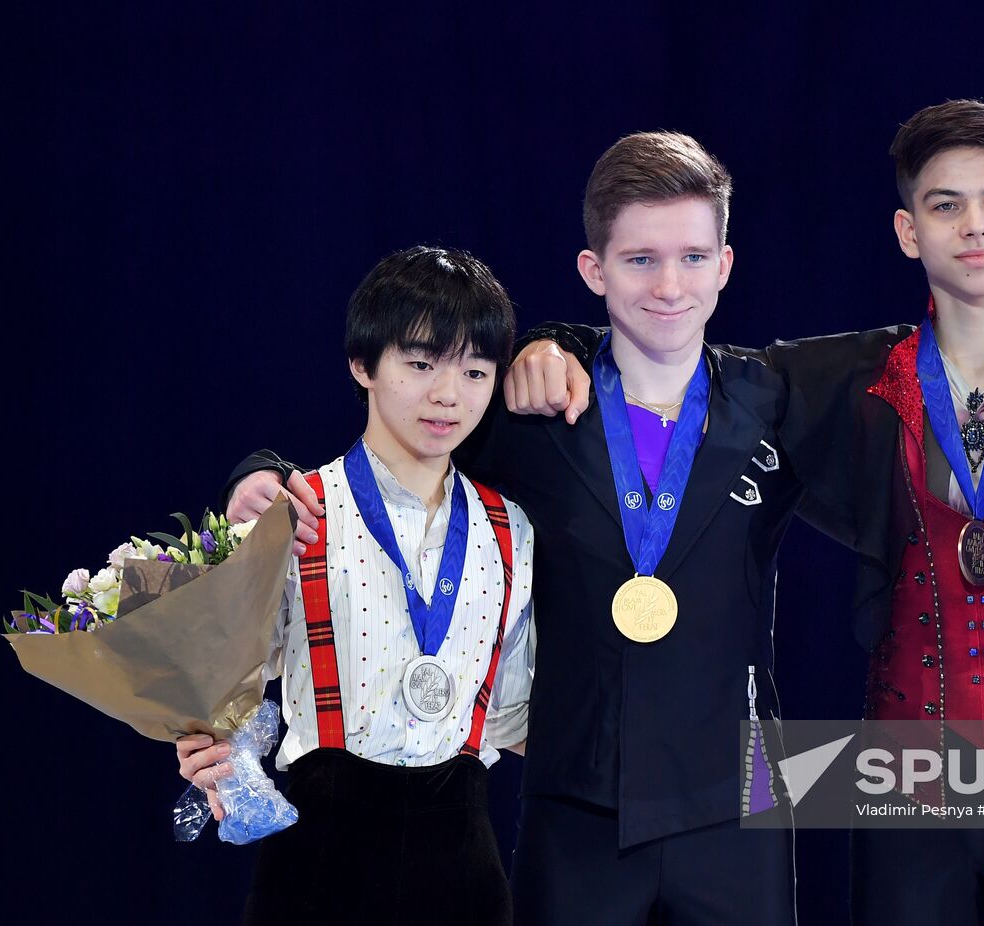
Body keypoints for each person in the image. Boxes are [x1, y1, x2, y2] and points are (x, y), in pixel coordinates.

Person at [509, 101, 984, 925]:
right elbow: (675, 351)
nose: (973, 227)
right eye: (946, 204)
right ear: (909, 230)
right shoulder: (841, 380)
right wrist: (547, 342)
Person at [224, 133, 804, 925]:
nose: (670, 284)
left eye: (694, 257)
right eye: (640, 260)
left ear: (726, 264)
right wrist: (255, 472)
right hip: (577, 799)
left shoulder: (782, 399)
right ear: (594, 270)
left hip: (745, 784)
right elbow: (390, 442)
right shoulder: (529, 413)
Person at [178, 246, 535, 925]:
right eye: (422, 362)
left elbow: (519, 714)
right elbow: (224, 691)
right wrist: (203, 738)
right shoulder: (294, 511)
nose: (448, 394)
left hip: (461, 860)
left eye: (475, 369)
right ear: (363, 364)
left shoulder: (512, 531)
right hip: (319, 861)